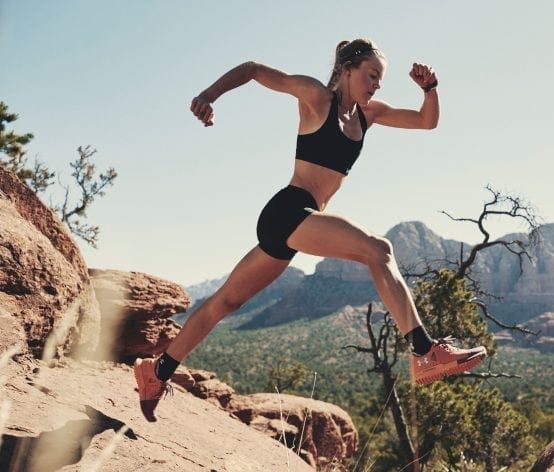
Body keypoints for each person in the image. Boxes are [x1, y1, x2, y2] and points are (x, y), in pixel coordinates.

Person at [133, 38, 486, 422]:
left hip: (299, 223)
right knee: (379, 250)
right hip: (288, 211)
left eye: (380, 79)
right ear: (347, 70)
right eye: (371, 75)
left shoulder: (369, 114)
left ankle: (156, 372)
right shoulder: (317, 97)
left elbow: (426, 121)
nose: (376, 85)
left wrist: (430, 88)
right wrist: (208, 96)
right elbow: (253, 69)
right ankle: (425, 352)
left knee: (225, 303)